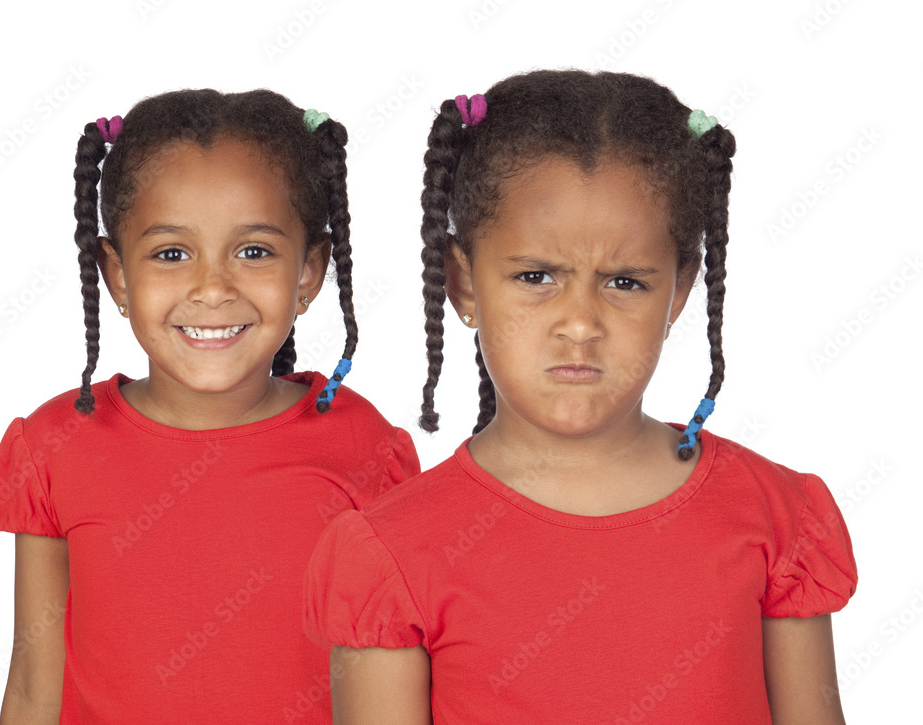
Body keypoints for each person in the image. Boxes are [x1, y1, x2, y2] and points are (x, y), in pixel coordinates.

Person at [304, 70, 856, 724]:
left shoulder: (777, 517)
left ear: (679, 290)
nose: (580, 321)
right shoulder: (390, 551)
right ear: (464, 283)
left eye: (624, 281)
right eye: (536, 276)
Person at [0, 89, 420, 724]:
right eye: (170, 254)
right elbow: (33, 686)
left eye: (254, 251)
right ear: (117, 276)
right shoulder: (54, 447)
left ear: (309, 274)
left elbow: (391, 687)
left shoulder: (364, 449)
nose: (212, 288)